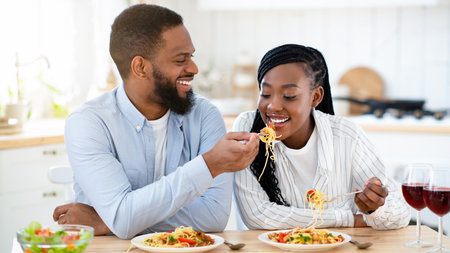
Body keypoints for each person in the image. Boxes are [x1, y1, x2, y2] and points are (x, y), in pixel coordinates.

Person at [52, 4, 259, 239]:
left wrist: (109, 221)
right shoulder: (89, 123)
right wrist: (208, 165)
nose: (194, 68)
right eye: (181, 59)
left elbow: (214, 216)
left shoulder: (205, 115)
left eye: (191, 57)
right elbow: (123, 217)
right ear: (140, 67)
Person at [233, 44, 411, 230]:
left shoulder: (347, 135)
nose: (273, 106)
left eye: (289, 95)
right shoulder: (247, 128)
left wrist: (376, 209)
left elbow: (401, 213)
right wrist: (349, 220)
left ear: (316, 97)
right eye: (266, 93)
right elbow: (257, 215)